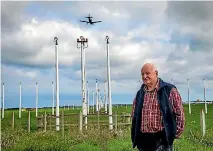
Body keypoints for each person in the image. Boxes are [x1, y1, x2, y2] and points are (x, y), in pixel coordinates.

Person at [131, 63, 185, 151]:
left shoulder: (169, 90)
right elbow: (134, 116)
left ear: (156, 73)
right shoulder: (140, 94)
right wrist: (136, 137)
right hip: (144, 140)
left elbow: (179, 114)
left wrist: (172, 135)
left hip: (162, 140)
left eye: (147, 73)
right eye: (142, 74)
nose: (145, 76)